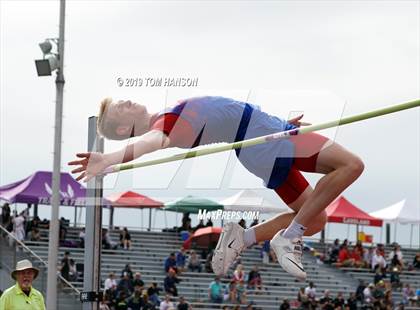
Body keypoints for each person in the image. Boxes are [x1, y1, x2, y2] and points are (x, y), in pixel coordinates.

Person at [69, 96, 364, 280]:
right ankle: (289, 238)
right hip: (266, 137)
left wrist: (277, 122)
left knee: (317, 218)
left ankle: (243, 237)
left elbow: (223, 119)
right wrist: (109, 158)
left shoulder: (166, 117)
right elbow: (151, 144)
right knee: (350, 165)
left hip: (260, 142)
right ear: (123, 129)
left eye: (124, 100)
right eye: (123, 107)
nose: (128, 101)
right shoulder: (165, 125)